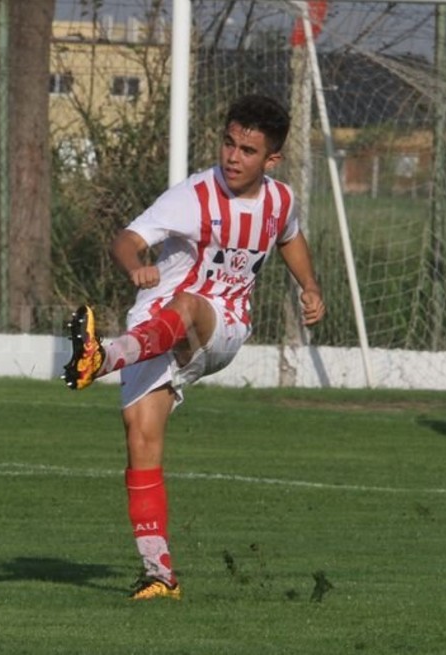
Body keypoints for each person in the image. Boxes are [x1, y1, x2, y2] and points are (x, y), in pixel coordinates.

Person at [63, 94, 326, 601]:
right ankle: (160, 575)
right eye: (228, 143)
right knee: (140, 438)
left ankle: (101, 357)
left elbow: (290, 237)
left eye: (248, 150)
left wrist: (309, 285)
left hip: (220, 325)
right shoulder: (192, 195)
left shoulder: (280, 200)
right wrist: (135, 263)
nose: (232, 156)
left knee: (186, 304)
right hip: (152, 329)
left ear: (271, 159)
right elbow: (126, 238)